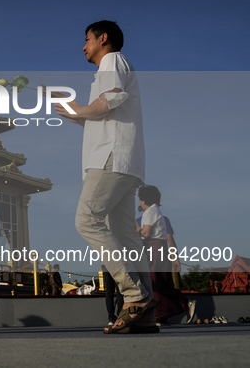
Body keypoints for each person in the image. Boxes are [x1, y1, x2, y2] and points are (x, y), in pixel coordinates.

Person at [55, 20, 157, 334]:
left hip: (109, 158)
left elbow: (110, 100)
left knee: (86, 220)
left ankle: (134, 295)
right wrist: (76, 113)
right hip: (124, 161)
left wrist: (79, 109)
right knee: (127, 238)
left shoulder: (112, 60)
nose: (83, 46)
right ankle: (146, 314)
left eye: (86, 39)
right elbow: (103, 114)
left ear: (103, 38)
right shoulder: (111, 69)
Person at [136, 185, 195, 325]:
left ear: (144, 199)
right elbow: (170, 239)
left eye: (140, 199)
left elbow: (146, 234)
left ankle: (178, 306)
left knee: (152, 282)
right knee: (161, 282)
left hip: (153, 248)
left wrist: (137, 228)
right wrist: (176, 258)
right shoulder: (158, 212)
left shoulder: (149, 213)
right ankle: (162, 315)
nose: (139, 202)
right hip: (161, 249)